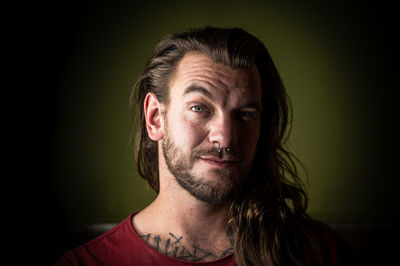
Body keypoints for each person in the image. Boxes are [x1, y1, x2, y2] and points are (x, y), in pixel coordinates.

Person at [55, 27, 352, 265]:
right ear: (156, 118)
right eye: (199, 108)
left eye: (246, 114)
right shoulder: (88, 262)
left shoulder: (317, 252)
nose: (225, 137)